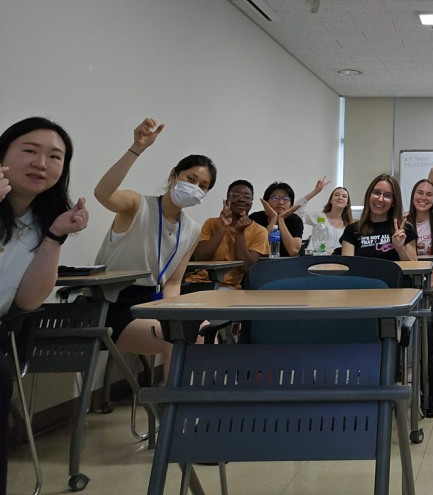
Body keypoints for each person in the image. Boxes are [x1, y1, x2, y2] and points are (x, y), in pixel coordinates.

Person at [0, 118, 88, 491]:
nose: (42, 163)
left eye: (55, 157)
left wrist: (55, 237)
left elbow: (29, 299)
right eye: (30, 151)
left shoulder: (41, 222)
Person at [94, 118, 215, 380]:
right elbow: (103, 194)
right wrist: (136, 149)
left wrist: (173, 313)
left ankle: (199, 411)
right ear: (173, 176)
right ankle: (177, 417)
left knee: (205, 331)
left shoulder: (191, 228)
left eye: (202, 186)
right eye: (190, 179)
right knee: (176, 339)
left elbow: (173, 283)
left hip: (154, 303)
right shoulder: (138, 206)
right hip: (113, 306)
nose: (194, 188)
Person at [186, 180, 269, 289]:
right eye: (235, 195)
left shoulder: (260, 231)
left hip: (227, 287)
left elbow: (244, 267)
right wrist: (223, 227)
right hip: (195, 283)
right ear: (227, 201)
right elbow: (200, 257)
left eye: (246, 196)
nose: (241, 199)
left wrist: (240, 233)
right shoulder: (211, 223)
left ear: (251, 203)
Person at [341, 174, 417, 261]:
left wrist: (400, 249)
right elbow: (347, 267)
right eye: (376, 193)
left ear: (393, 202)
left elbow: (414, 271)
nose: (380, 199)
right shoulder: (352, 230)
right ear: (369, 196)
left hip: (393, 275)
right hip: (361, 275)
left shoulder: (404, 229)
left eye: (387, 195)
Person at [405, 178, 433, 286]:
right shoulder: (402, 221)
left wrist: (432, 286)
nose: (423, 198)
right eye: (420, 193)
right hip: (405, 274)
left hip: (430, 272)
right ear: (413, 195)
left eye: (429, 194)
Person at [249, 182, 304, 257]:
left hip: (288, 265)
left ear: (291, 205)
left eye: (285, 199)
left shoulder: (295, 220)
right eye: (275, 198)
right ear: (266, 201)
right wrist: (273, 219)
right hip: (261, 264)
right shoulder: (255, 218)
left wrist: (281, 220)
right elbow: (257, 248)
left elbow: (293, 251)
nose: (281, 202)